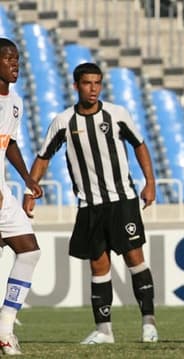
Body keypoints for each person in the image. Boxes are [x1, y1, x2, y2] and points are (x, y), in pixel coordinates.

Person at [23, 63, 159, 345]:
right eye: (87, 83)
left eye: (97, 83)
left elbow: (140, 144)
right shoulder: (63, 121)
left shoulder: (116, 114)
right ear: (76, 86)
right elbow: (43, 156)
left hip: (122, 200)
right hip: (89, 205)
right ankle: (103, 330)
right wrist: (30, 189)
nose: (93, 88)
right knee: (98, 265)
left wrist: (150, 181)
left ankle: (149, 323)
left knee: (135, 258)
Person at [0, 38, 43, 355]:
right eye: (8, 58)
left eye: (17, 58)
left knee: (28, 251)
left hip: (3, 188)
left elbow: (9, 142)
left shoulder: (15, 100)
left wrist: (27, 177)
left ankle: (5, 328)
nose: (15, 64)